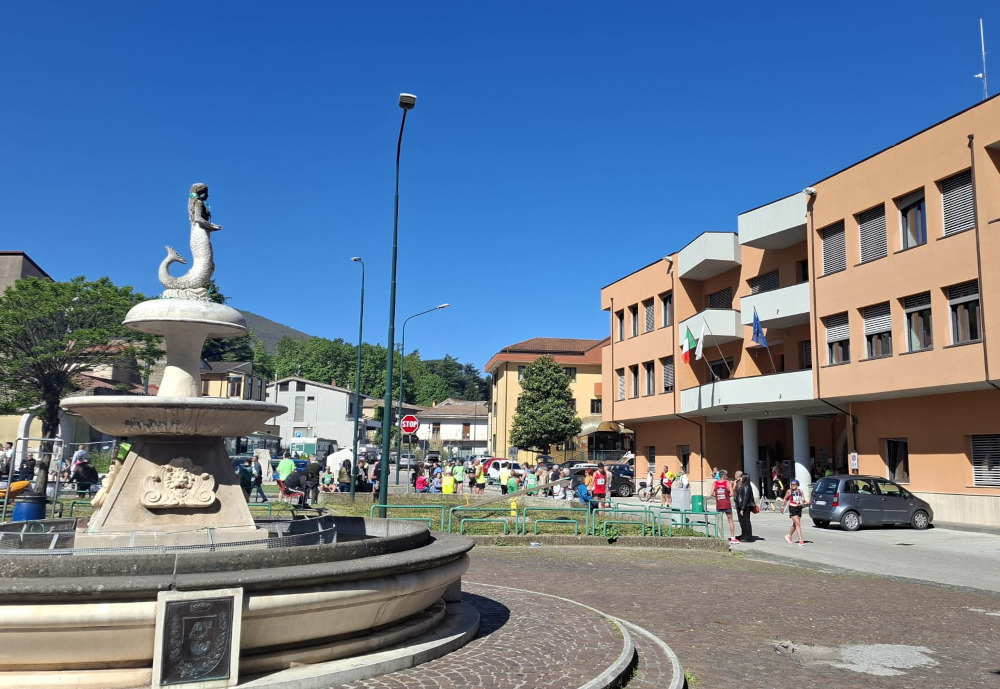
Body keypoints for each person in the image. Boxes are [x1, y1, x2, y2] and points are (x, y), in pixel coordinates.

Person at [713, 469, 738, 544]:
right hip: (727, 504)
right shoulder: (728, 483)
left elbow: (711, 493)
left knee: (719, 521)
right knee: (730, 521)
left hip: (719, 504)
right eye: (726, 475)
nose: (727, 477)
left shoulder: (715, 483)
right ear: (724, 476)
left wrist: (717, 496)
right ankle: (733, 538)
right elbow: (731, 494)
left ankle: (721, 537)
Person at [783, 478, 807, 546]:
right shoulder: (789, 491)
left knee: (795, 524)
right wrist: (782, 506)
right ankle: (801, 540)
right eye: (791, 484)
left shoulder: (800, 491)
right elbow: (785, 498)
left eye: (794, 484)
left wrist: (803, 501)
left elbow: (803, 499)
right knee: (798, 524)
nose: (792, 486)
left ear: (797, 485)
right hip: (792, 508)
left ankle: (789, 535)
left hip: (799, 508)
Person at [734, 473, 756, 542]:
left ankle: (747, 537)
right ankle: (743, 534)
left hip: (745, 507)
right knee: (742, 521)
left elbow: (745, 498)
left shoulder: (746, 486)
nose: (740, 478)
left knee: (745, 521)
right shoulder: (742, 485)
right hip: (740, 506)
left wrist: (742, 509)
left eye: (741, 477)